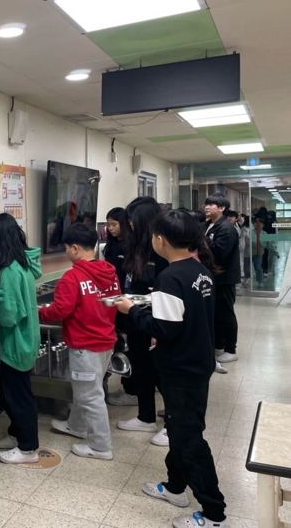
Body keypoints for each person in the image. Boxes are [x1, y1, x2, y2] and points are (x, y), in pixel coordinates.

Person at [115, 211, 227, 528]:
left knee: (189, 438)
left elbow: (164, 329)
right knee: (179, 428)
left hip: (181, 367)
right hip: (197, 362)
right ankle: (176, 487)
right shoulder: (199, 271)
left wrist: (132, 310)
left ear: (160, 240)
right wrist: (158, 301)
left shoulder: (170, 276)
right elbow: (187, 314)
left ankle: (214, 513)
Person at [39, 223, 119, 460]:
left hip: (85, 346)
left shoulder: (72, 277)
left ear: (75, 248)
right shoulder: (110, 273)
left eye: (66, 248)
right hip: (106, 341)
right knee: (86, 389)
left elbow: (59, 311)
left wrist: (38, 313)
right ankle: (76, 425)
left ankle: (101, 447)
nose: (66, 252)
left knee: (91, 396)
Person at [0, 213, 43, 464]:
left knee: (17, 396)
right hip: (26, 339)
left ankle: (28, 448)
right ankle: (15, 433)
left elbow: (8, 315)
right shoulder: (24, 263)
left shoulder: (8, 271)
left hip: (14, 343)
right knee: (18, 391)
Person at [118, 197, 169, 446]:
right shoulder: (135, 244)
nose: (129, 224)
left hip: (154, 318)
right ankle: (146, 416)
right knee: (140, 366)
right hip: (134, 313)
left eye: (133, 219)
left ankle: (172, 424)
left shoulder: (162, 248)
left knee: (161, 371)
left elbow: (166, 290)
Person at [102, 207, 136, 408]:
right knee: (120, 341)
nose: (110, 228)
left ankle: (132, 389)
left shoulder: (132, 245)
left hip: (128, 299)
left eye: (114, 224)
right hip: (114, 299)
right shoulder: (111, 245)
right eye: (108, 225)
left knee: (130, 344)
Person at [203, 193, 241, 366]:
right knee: (216, 313)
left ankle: (231, 350)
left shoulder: (226, 228)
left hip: (224, 277)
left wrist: (203, 240)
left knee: (226, 314)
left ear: (221, 208)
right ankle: (219, 345)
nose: (206, 207)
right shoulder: (208, 225)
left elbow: (220, 252)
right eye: (206, 204)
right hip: (211, 276)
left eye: (211, 204)